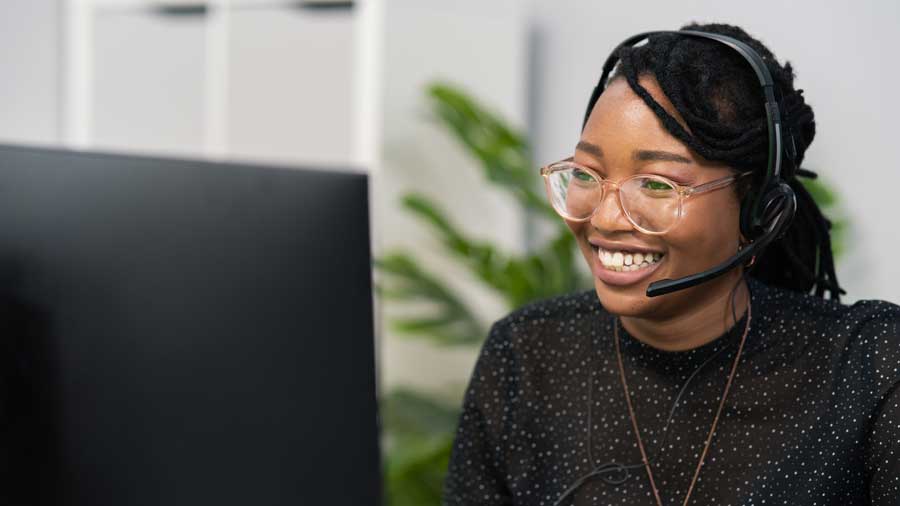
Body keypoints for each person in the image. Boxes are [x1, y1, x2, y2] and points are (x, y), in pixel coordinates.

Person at [443, 22, 900, 506]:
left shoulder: (868, 368)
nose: (605, 216)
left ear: (758, 211)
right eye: (585, 173)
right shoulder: (526, 357)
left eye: (658, 184)